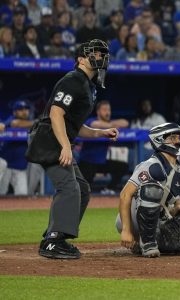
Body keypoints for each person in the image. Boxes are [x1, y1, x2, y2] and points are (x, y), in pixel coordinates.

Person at [27, 39, 119, 259]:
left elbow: (74, 125)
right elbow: (56, 114)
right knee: (69, 187)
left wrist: (99, 133)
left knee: (82, 190)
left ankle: (57, 237)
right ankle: (52, 241)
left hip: (58, 138)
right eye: (94, 53)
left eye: (101, 54)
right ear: (80, 59)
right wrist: (66, 146)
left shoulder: (88, 85)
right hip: (48, 139)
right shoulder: (73, 79)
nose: (100, 57)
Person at [116, 123, 180, 257]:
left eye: (178, 137)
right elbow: (125, 195)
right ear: (159, 140)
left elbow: (175, 206)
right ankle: (147, 243)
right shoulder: (150, 166)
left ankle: (147, 244)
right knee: (152, 189)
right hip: (132, 219)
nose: (178, 141)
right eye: (173, 138)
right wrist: (126, 230)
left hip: (159, 219)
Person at [78, 100, 129, 195]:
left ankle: (109, 188)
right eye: (104, 110)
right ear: (98, 112)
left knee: (123, 166)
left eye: (109, 110)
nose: (107, 112)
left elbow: (125, 122)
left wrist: (111, 124)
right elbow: (96, 125)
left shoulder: (110, 123)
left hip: (101, 163)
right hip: (87, 162)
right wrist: (111, 126)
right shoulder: (91, 121)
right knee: (84, 190)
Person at [0, 100, 35, 195]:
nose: (24, 111)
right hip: (6, 167)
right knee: (1, 194)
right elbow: (15, 123)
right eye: (20, 109)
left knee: (22, 196)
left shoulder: (33, 125)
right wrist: (37, 122)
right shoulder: (10, 120)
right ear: (14, 112)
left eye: (26, 109)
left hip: (20, 168)